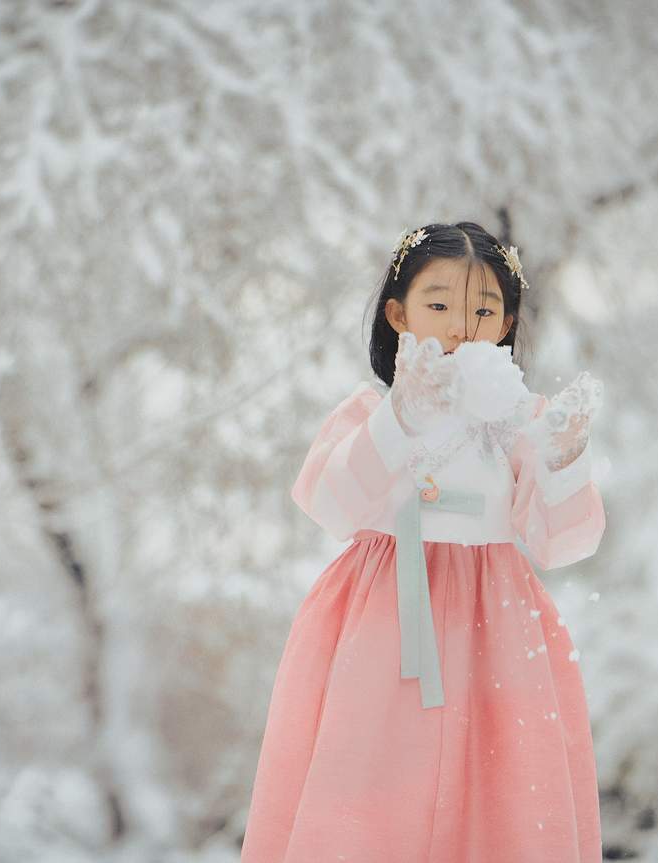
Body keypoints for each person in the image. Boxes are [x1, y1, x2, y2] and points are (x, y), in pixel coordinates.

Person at [240, 221, 609, 863]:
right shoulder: (371, 409)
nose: (459, 324)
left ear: (507, 321)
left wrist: (564, 456)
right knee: (371, 792)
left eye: (483, 308)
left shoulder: (520, 421)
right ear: (398, 313)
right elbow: (330, 501)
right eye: (438, 304)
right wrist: (400, 416)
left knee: (497, 791)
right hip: (381, 624)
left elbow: (566, 541)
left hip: (493, 630)